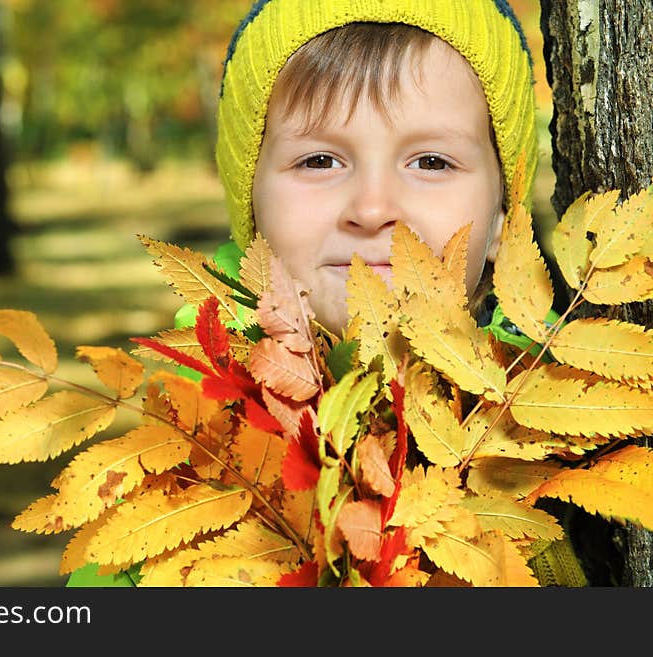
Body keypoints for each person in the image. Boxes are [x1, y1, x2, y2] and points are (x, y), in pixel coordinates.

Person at [67, 0, 586, 587]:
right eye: (319, 159)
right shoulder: (189, 466)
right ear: (252, 209)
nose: (371, 209)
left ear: (500, 222)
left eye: (432, 161)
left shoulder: (569, 439)